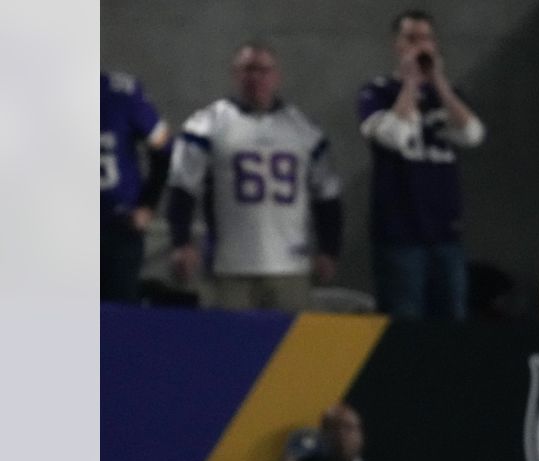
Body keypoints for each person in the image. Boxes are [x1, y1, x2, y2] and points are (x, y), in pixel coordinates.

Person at [167, 41, 344, 312]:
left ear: (277, 76)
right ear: (235, 74)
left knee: (291, 350)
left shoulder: (303, 129)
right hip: (229, 265)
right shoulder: (207, 124)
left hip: (290, 266)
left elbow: (327, 195)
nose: (256, 77)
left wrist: (329, 249)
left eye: (264, 70)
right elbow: (182, 188)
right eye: (248, 69)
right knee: (228, 347)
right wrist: (181, 242)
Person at [358, 9, 486, 320]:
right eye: (411, 38)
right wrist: (411, 83)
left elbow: (472, 134)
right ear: (396, 44)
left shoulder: (448, 96)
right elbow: (394, 137)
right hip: (399, 234)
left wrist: (439, 83)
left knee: (451, 318)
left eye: (426, 38)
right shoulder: (376, 93)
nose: (420, 46)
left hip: (445, 233)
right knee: (405, 321)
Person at [100, 71, 172, 303]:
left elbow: (165, 151)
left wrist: (147, 206)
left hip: (117, 228)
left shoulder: (121, 92)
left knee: (118, 323)